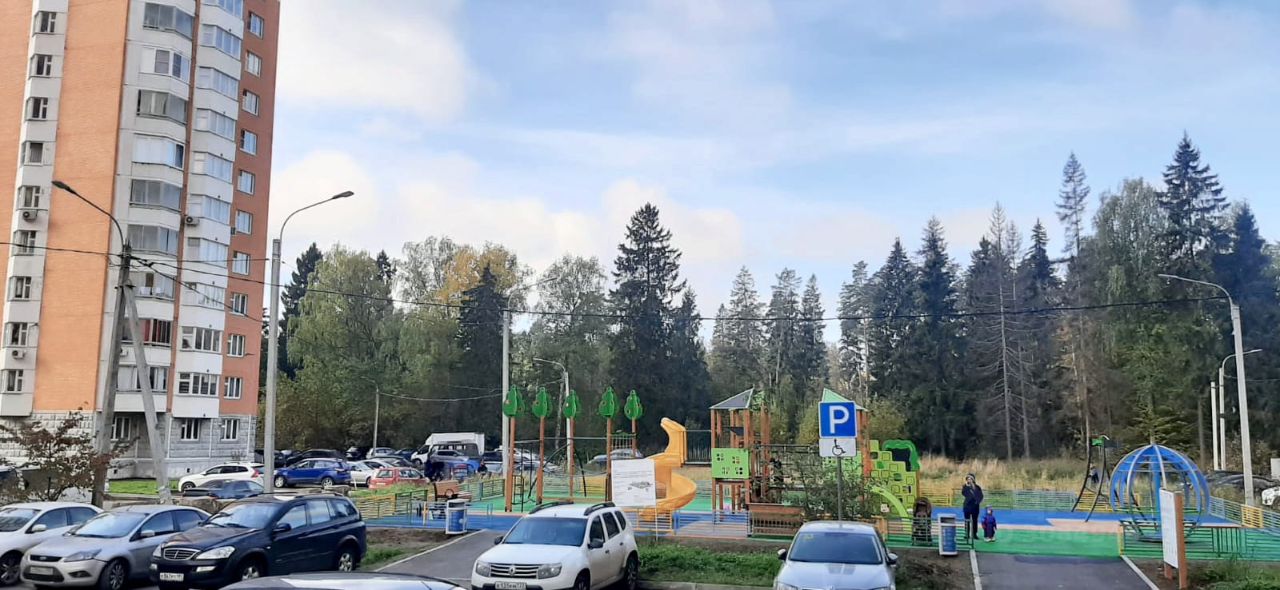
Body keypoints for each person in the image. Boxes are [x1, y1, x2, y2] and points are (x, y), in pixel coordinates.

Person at [962, 473, 983, 540]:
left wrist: (977, 502)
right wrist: (967, 486)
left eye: (970, 479)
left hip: (975, 507)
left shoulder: (977, 487)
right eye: (968, 479)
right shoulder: (965, 487)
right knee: (967, 521)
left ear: (973, 479)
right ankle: (967, 534)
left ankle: (974, 534)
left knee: (975, 521)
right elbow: (964, 493)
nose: (969, 480)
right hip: (967, 507)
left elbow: (981, 496)